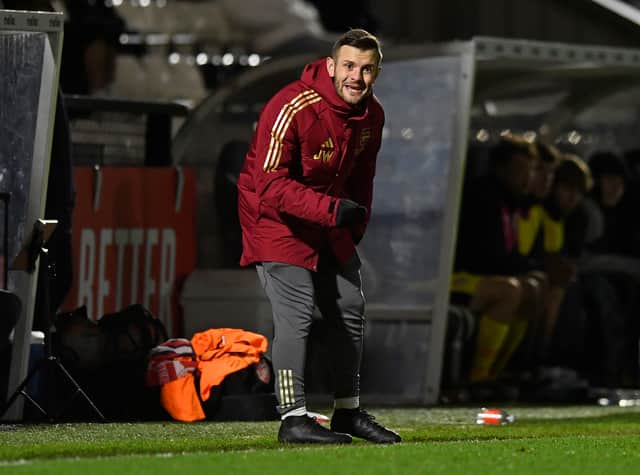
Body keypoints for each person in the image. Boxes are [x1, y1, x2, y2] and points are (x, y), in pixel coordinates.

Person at [237, 29, 400, 444]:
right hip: (274, 219)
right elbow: (269, 185)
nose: (356, 77)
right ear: (331, 67)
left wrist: (352, 225)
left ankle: (347, 413)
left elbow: (363, 179)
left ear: (377, 74)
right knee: (297, 313)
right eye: (348, 66)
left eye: (366, 69)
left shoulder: (373, 115)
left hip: (328, 218)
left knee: (349, 305)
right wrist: (331, 211)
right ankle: (293, 419)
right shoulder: (291, 105)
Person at [450, 134, 547, 388]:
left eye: (531, 171)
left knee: (534, 287)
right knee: (509, 291)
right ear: (501, 169)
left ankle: (500, 373)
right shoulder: (482, 197)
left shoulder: (512, 203)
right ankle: (478, 377)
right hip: (450, 279)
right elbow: (484, 257)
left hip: (477, 277)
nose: (527, 178)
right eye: (520, 170)